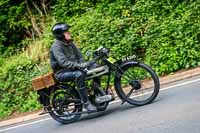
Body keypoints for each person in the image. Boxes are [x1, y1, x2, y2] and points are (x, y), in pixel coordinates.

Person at [50, 22, 98, 112]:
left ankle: (95, 92)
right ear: (60, 35)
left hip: (73, 68)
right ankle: (86, 104)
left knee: (95, 67)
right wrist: (80, 66)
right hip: (62, 73)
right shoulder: (56, 47)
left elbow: (79, 56)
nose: (69, 33)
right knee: (78, 75)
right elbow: (64, 63)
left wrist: (83, 64)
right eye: (66, 32)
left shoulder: (70, 43)